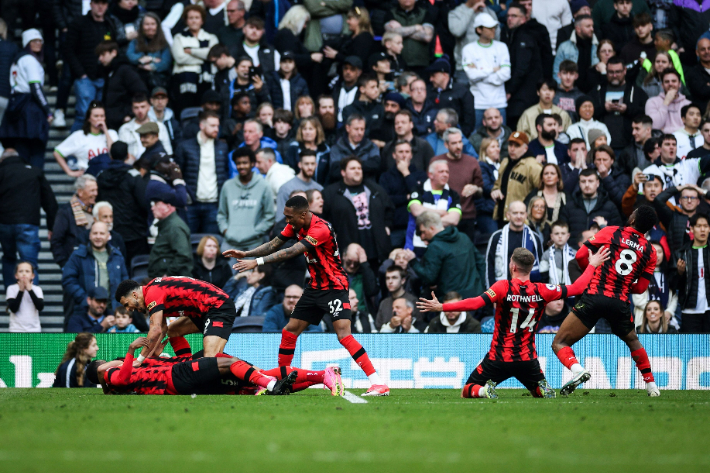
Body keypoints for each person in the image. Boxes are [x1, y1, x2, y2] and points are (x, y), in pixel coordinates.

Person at [223, 195, 390, 396]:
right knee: (289, 331)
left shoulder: (321, 228)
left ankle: (377, 382)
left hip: (334, 287)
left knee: (344, 335)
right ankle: (281, 381)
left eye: (289, 217)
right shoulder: (296, 225)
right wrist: (246, 254)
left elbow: (292, 251)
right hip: (315, 288)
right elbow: (274, 244)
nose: (286, 221)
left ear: (303, 214)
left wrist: (257, 263)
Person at [417, 246, 610, 399]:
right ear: (530, 267)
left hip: (498, 358)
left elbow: (476, 303)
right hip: (527, 359)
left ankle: (485, 391)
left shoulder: (502, 287)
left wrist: (442, 307)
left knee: (468, 389)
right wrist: (593, 263)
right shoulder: (543, 289)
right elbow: (578, 287)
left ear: (513, 266)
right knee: (541, 394)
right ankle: (542, 388)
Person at [551, 205, 661, 397]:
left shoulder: (611, 232)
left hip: (594, 296)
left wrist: (591, 271)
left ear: (633, 220)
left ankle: (578, 371)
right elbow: (641, 288)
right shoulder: (650, 252)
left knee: (559, 343)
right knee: (633, 341)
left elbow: (579, 256)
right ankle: (651, 385)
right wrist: (624, 285)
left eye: (633, 211)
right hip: (619, 303)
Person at [88, 337, 306, 396]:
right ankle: (271, 384)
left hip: (178, 375)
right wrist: (129, 351)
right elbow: (116, 376)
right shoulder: (111, 374)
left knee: (249, 377)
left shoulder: (119, 378)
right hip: (179, 373)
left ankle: (317, 376)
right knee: (244, 371)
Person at [115, 275, 238, 359]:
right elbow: (162, 329)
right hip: (200, 312)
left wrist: (139, 360)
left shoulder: (152, 294)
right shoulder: (153, 291)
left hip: (217, 306)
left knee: (211, 356)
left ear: (135, 295)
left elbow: (155, 330)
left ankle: (254, 374)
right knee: (173, 330)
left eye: (127, 304)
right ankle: (186, 363)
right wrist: (148, 358)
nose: (128, 309)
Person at [0, 149, 57, 288]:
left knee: (8, 258)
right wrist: (52, 226)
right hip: (28, 223)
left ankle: (11, 299)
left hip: (4, 224)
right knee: (29, 263)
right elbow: (50, 202)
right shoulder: (34, 171)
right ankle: (32, 301)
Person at [322, 157, 394, 265]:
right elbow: (321, 216)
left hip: (376, 248)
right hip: (348, 249)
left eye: (359, 168)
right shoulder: (330, 193)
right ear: (343, 172)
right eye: (352, 168)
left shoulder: (374, 189)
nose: (357, 171)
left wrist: (387, 227)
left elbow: (390, 208)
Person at [63, 0, 119, 133]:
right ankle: (72, 152)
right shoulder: (79, 23)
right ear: (91, 4)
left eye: (104, 3)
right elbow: (68, 50)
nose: (100, 7)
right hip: (85, 78)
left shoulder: (109, 24)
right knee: (84, 114)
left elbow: (114, 47)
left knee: (99, 117)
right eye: (97, 3)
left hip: (103, 76)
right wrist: (81, 73)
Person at [0, 29, 52, 170]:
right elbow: (35, 87)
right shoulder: (30, 60)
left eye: (40, 40)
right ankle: (35, 183)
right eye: (34, 41)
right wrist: (48, 111)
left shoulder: (17, 60)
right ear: (27, 43)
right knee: (36, 151)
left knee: (22, 151)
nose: (38, 43)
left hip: (16, 107)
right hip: (30, 109)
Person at [173, 111, 229, 235]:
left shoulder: (222, 147)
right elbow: (177, 174)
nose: (216, 129)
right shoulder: (185, 147)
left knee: (211, 243)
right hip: (191, 204)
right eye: (212, 126)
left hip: (213, 204)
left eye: (217, 126)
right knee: (187, 239)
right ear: (202, 125)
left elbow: (224, 173)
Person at [96, 141, 149, 264]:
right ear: (127, 156)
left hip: (109, 232)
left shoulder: (101, 176)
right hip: (135, 234)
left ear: (111, 156)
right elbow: (144, 203)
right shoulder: (133, 176)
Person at [62, 220, 128, 317]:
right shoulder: (78, 255)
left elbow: (125, 282)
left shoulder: (117, 256)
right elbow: (68, 279)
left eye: (102, 233)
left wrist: (119, 304)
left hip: (112, 310)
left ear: (108, 236)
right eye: (95, 233)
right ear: (90, 235)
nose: (98, 236)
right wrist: (84, 299)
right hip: (86, 311)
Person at [218, 147, 275, 251]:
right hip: (230, 244)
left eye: (245, 162)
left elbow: (269, 216)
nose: (241, 166)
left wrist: (255, 232)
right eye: (238, 163)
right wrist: (227, 231)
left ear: (252, 164)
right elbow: (221, 214)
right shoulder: (227, 186)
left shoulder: (264, 186)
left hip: (254, 245)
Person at [429, 128, 483, 239]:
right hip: (444, 216)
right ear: (446, 145)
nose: (458, 146)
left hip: (467, 216)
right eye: (454, 143)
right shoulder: (437, 162)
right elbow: (429, 186)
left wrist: (475, 189)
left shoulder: (472, 162)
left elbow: (481, 191)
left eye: (460, 142)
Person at [462, 13, 510, 130]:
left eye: (494, 27)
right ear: (479, 29)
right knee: (477, 138)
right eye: (489, 28)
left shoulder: (502, 47)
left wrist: (481, 73)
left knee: (501, 137)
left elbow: (506, 74)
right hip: (478, 103)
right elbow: (472, 75)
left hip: (499, 102)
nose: (493, 30)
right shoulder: (469, 49)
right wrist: (493, 70)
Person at [590, 57, 648, 152]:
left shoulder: (636, 91)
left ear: (625, 71)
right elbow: (587, 112)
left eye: (618, 72)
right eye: (611, 72)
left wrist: (627, 109)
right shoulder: (597, 90)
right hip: (603, 145)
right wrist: (604, 108)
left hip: (629, 145)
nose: (614, 75)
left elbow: (645, 113)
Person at [378, 140, 427, 248]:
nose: (404, 155)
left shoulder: (421, 175)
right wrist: (406, 197)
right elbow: (385, 200)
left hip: (418, 227)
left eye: (406, 151)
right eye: (400, 152)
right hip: (395, 228)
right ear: (394, 155)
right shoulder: (386, 177)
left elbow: (421, 196)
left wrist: (406, 173)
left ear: (411, 155)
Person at [406, 160, 461, 254]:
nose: (445, 175)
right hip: (417, 244)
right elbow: (416, 210)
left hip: (444, 246)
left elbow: (454, 219)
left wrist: (426, 221)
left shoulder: (453, 194)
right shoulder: (418, 189)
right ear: (430, 175)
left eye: (447, 172)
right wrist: (440, 213)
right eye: (441, 171)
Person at [170, 5, 219, 112]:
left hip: (206, 81)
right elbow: (180, 58)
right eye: (191, 18)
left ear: (202, 20)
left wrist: (191, 51)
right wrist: (204, 57)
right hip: (183, 81)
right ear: (186, 21)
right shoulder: (179, 37)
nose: (194, 21)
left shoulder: (211, 37)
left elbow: (213, 55)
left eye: (197, 18)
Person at [504, 3, 544, 129]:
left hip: (523, 96)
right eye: (508, 16)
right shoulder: (511, 35)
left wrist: (509, 90)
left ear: (523, 19)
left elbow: (522, 68)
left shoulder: (525, 37)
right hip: (519, 94)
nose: (510, 19)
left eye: (514, 16)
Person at [53, 101, 118, 177]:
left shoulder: (112, 133)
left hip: (109, 177)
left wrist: (105, 131)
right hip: (88, 178)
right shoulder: (79, 136)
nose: (99, 119)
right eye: (96, 116)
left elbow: (115, 154)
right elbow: (57, 152)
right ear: (89, 118)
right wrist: (70, 172)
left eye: (102, 116)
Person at [485, 201, 543, 286]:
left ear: (526, 215)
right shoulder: (496, 237)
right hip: (502, 291)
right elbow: (489, 266)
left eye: (521, 213)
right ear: (508, 215)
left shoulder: (534, 238)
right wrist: (492, 293)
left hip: (528, 292)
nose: (519, 216)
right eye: (515, 213)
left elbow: (541, 265)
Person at [491, 131, 542, 222]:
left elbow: (541, 192)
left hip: (522, 219)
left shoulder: (533, 166)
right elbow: (497, 184)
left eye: (517, 146)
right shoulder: (505, 162)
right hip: (502, 215)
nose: (512, 149)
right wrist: (495, 191)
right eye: (510, 145)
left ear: (525, 148)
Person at [97, 41, 149, 131]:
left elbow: (141, 92)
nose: (100, 58)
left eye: (103, 54)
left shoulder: (125, 70)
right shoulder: (109, 71)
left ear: (113, 52)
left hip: (123, 122)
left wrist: (129, 114)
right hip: (112, 122)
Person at [560, 168, 623, 242]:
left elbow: (618, 235)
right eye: (583, 181)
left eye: (590, 181)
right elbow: (562, 232)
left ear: (598, 183)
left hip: (600, 250)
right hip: (574, 251)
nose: (587, 185)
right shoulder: (569, 207)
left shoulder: (610, 207)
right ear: (579, 184)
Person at [50, 174, 98, 268]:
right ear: (80, 192)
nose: (96, 193)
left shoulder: (97, 210)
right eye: (92, 190)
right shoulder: (66, 212)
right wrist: (64, 264)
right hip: (74, 265)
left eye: (96, 190)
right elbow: (56, 241)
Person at [448, 0, 500, 84]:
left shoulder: (489, 13)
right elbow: (457, 31)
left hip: (487, 67)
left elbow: (496, 38)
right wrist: (472, 10)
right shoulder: (456, 13)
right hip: (465, 68)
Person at [631, 241, 678, 329]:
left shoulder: (668, 274)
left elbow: (674, 296)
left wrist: (669, 312)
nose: (657, 255)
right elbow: (637, 300)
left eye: (660, 252)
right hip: (643, 320)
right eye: (653, 252)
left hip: (666, 320)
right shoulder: (639, 273)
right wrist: (656, 311)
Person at [676, 213, 710, 333]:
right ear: (691, 229)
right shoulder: (681, 253)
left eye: (705, 226)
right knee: (692, 348)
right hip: (690, 310)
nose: (702, 229)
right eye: (699, 226)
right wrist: (679, 273)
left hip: (709, 308)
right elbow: (674, 284)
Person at [426, 57, 476, 137]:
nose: (431, 79)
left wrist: (460, 136)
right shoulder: (428, 91)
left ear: (444, 75)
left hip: (457, 136)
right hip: (433, 136)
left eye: (433, 75)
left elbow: (469, 118)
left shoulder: (462, 91)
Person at [383, 0, 435, 74]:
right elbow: (390, 33)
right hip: (396, 63)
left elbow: (427, 36)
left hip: (420, 64)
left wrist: (400, 30)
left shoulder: (425, 13)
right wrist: (416, 28)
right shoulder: (391, 13)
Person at [147, 193, 192, 278]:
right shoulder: (167, 225)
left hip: (173, 284)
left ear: (168, 207)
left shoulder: (175, 227)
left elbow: (183, 255)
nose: (152, 208)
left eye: (156, 204)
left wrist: (168, 275)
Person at [126, 13, 171, 92]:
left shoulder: (163, 43)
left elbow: (165, 63)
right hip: (138, 77)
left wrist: (150, 62)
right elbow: (129, 55)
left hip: (157, 79)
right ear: (142, 26)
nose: (150, 27)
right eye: (147, 24)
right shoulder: (135, 41)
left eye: (153, 24)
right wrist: (148, 59)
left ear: (157, 26)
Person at [118, 94, 173, 159]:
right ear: (132, 109)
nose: (140, 111)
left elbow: (168, 153)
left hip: (156, 165)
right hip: (133, 166)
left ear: (149, 107)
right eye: (136, 107)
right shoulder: (125, 129)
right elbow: (121, 155)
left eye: (143, 107)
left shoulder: (160, 126)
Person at [328, 114, 380, 182]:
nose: (359, 132)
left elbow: (375, 165)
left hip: (367, 185)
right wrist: (363, 166)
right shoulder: (336, 148)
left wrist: (348, 167)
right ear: (347, 128)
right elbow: (335, 171)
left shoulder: (372, 147)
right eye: (356, 129)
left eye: (362, 129)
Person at [283, 117, 330, 186]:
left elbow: (328, 175)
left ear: (317, 131)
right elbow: (288, 171)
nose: (307, 132)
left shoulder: (325, 150)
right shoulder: (294, 148)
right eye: (304, 129)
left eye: (311, 129)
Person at [277, 150, 323, 217]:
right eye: (306, 164)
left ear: (316, 165)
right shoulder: (286, 188)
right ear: (300, 164)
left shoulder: (319, 189)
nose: (310, 167)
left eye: (312, 164)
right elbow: (280, 217)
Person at [375, 265, 422, 331]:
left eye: (394, 278)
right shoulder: (384, 303)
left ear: (403, 280)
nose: (390, 281)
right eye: (387, 278)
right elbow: (378, 328)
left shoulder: (413, 301)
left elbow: (420, 326)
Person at [645, 68, 691, 134]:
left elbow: (691, 129)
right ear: (662, 85)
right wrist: (666, 102)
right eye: (667, 82)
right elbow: (654, 126)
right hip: (660, 141)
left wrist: (665, 130)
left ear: (679, 84)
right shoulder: (652, 102)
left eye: (674, 81)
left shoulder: (688, 104)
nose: (670, 84)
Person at [5, 261, 43, 332]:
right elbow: (13, 309)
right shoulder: (11, 288)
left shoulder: (37, 289)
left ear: (33, 276)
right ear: (16, 275)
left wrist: (30, 290)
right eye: (21, 271)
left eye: (27, 271)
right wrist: (21, 291)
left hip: (34, 329)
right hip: (16, 329)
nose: (24, 274)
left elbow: (40, 307)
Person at [686, 38, 710, 112]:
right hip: (704, 115)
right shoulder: (693, 72)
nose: (707, 52)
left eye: (709, 48)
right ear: (697, 52)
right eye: (703, 49)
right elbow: (703, 91)